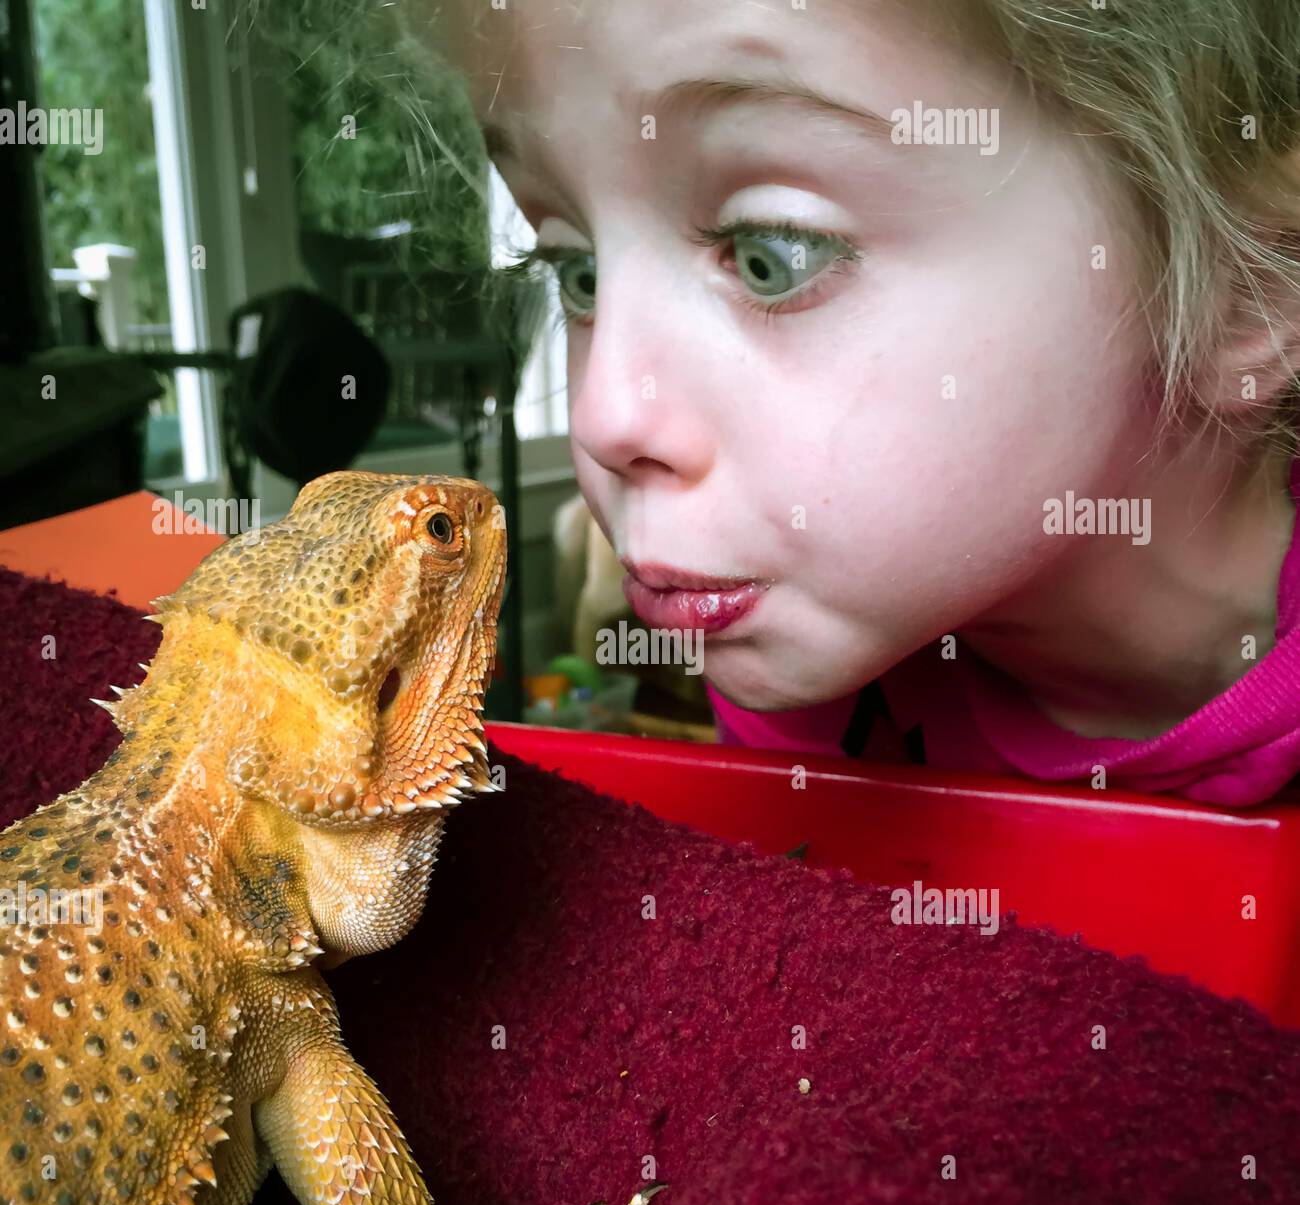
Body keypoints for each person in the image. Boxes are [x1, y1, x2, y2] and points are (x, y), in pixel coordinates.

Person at [429, 0, 1300, 807]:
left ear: (1247, 288)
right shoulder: (814, 694)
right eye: (576, 270)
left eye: (774, 253)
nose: (605, 418)